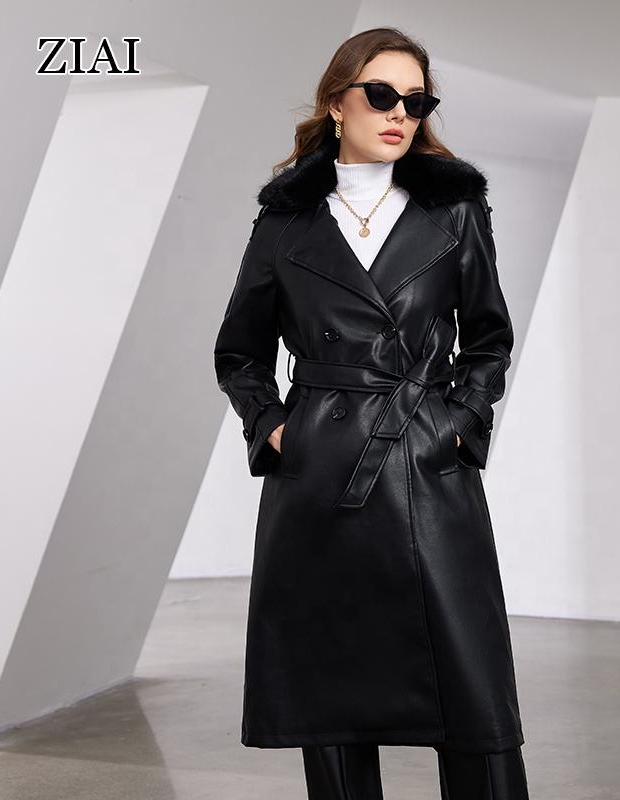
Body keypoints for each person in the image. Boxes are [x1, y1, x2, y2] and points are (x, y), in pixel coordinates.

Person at [214, 26, 530, 800]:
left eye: (416, 102)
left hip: (426, 465)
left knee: (472, 693)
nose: (399, 114)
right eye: (382, 94)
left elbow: (489, 339)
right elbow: (239, 352)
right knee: (332, 695)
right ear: (336, 103)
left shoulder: (455, 210)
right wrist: (273, 428)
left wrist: (458, 426)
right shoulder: (284, 224)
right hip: (320, 478)